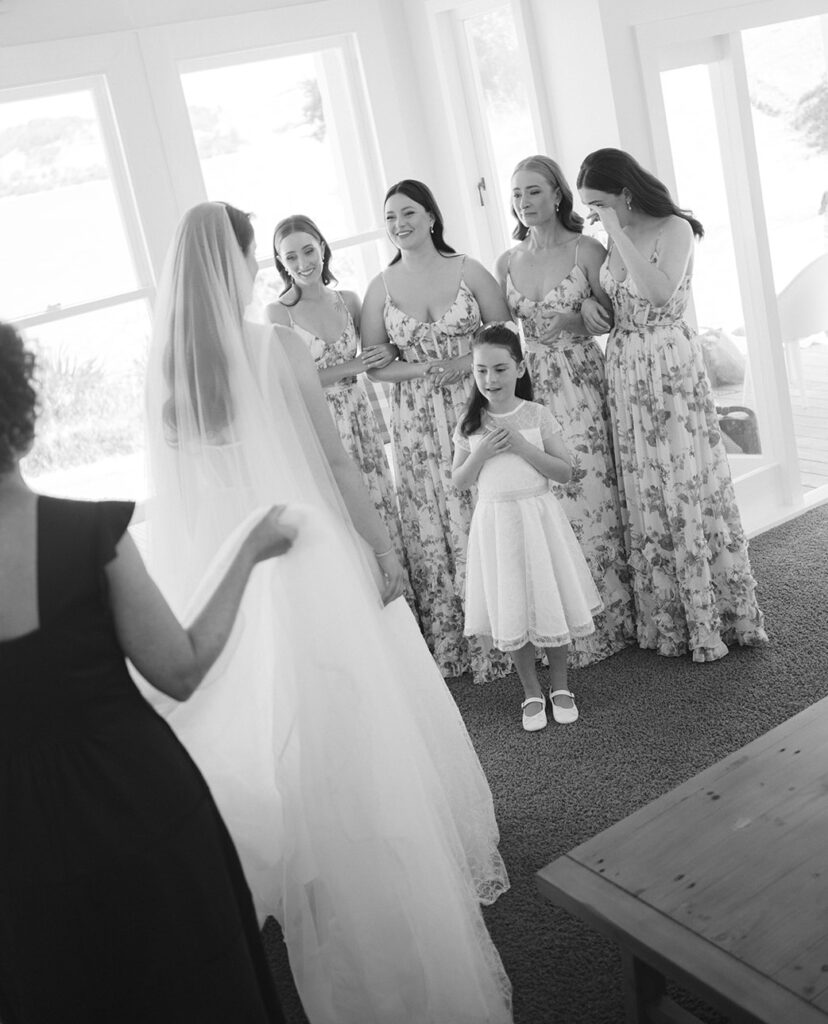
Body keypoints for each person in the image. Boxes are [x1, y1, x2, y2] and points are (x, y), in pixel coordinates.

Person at [144, 201, 513, 1024]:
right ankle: (377, 849)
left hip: (220, 571)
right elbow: (339, 461)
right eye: (250, 253)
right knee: (351, 705)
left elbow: (182, 495)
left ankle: (296, 855)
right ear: (238, 262)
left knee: (263, 719)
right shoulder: (274, 346)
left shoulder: (166, 367)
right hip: (300, 550)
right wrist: (380, 549)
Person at [0, 321, 293, 1023]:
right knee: (189, 985)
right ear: (21, 411)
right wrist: (248, 551)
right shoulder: (86, 532)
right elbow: (181, 670)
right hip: (136, 805)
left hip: (15, 846)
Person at [576, 148, 768, 661]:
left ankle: (716, 611)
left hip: (668, 363)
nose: (593, 213)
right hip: (624, 364)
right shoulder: (603, 240)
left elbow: (659, 294)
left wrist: (617, 233)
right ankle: (669, 616)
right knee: (646, 482)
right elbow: (616, 302)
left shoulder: (674, 229)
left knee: (684, 478)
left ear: (624, 191)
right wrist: (593, 304)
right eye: (588, 206)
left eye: (598, 202)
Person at [361, 179, 513, 683]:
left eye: (407, 213)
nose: (398, 225)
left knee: (487, 505)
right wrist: (427, 370)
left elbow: (508, 339)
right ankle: (464, 638)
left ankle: (514, 627)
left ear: (430, 215)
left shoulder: (469, 269)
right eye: (389, 218)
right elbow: (375, 366)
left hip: (475, 403)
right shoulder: (380, 287)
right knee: (435, 517)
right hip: (416, 421)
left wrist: (461, 362)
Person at [496, 155, 635, 668]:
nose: (524, 202)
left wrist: (577, 317)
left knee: (590, 490)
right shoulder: (507, 261)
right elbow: (497, 335)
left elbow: (615, 315)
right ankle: (566, 622)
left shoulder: (587, 248)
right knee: (551, 500)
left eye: (533, 191)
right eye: (516, 194)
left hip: (582, 381)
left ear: (557, 194)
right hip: (534, 391)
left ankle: (614, 617)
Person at [452, 324, 602, 731]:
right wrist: (480, 451)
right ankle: (531, 691)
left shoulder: (536, 415)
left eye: (500, 369)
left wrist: (521, 445)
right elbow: (459, 481)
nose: (490, 380)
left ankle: (560, 686)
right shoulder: (471, 424)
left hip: (538, 520)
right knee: (512, 604)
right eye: (481, 371)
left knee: (549, 597)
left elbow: (565, 471)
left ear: (519, 368)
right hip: (497, 526)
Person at [267, 214, 408, 573]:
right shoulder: (278, 313)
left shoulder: (349, 299)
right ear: (281, 263)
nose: (303, 263)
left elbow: (378, 352)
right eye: (291, 257)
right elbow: (292, 385)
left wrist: (387, 352)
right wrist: (352, 366)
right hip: (317, 422)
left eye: (309, 251)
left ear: (323, 248)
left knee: (378, 501)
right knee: (339, 513)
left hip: (360, 418)